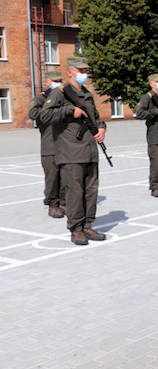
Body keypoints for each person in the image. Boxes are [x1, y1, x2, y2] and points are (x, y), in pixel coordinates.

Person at [38, 57, 107, 245]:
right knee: (75, 192)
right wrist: (69, 111)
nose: (85, 74)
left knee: (91, 191)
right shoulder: (59, 93)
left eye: (86, 70)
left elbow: (96, 118)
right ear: (70, 72)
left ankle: (88, 226)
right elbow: (43, 115)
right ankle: (76, 229)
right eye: (81, 70)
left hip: (90, 151)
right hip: (70, 152)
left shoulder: (87, 93)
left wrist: (101, 128)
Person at [28, 69, 66, 218]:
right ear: (48, 83)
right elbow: (33, 114)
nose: (59, 84)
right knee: (52, 177)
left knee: (65, 176)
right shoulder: (40, 98)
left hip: (64, 144)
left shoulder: (64, 97)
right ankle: (52, 204)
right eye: (56, 82)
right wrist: (50, 108)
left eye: (60, 81)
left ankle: (63, 202)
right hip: (49, 145)